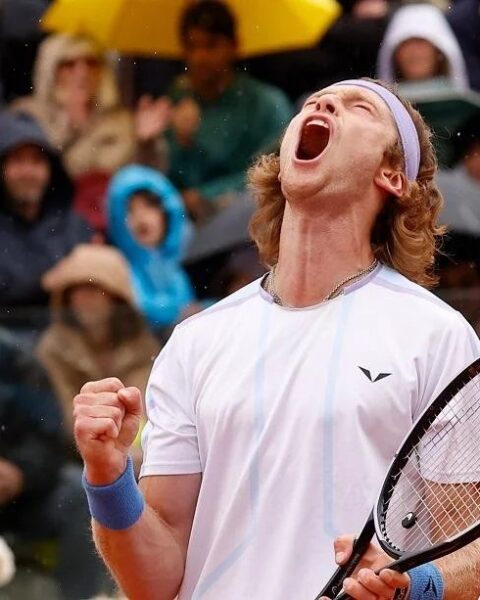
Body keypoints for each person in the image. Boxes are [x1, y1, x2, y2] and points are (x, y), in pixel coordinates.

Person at [73, 78, 480, 599]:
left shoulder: (437, 336)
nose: (324, 103)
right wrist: (107, 478)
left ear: (392, 176)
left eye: (360, 108)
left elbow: (467, 549)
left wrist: (414, 586)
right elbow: (154, 580)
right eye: (314, 101)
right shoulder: (196, 340)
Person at [136, 0, 292, 222]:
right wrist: (171, 144)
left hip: (248, 222)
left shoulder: (266, 103)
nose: (200, 57)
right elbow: (164, 185)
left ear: (234, 46)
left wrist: (207, 195)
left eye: (210, 46)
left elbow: (274, 174)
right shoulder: (174, 101)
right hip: (185, 225)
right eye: (192, 47)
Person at [0, 327, 110, 599]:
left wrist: (19, 471)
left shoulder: (13, 358)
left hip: (19, 499)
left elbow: (49, 435)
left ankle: (83, 596)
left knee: (78, 491)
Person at [37, 243, 159, 442]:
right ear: (67, 299)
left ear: (116, 298)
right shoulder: (53, 348)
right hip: (72, 454)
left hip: (137, 451)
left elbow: (147, 411)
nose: (85, 300)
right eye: (77, 291)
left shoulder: (142, 346)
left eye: (95, 289)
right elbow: (64, 416)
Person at [0, 111, 91, 315]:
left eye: (37, 162)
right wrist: (45, 283)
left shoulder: (75, 227)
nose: (28, 172)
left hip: (68, 339)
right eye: (17, 161)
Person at [12, 34, 135, 181]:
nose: (82, 73)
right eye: (69, 64)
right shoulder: (26, 115)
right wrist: (68, 129)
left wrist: (84, 127)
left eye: (91, 63)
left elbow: (102, 177)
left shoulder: (120, 123)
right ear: (50, 70)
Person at [107, 165, 197, 331]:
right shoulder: (117, 269)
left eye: (149, 205)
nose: (140, 217)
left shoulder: (178, 264)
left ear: (167, 212)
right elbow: (141, 309)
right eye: (130, 210)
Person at [377, 3, 469, 89]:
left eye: (421, 42)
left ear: (439, 51)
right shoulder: (382, 105)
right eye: (407, 44)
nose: (415, 52)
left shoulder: (463, 105)